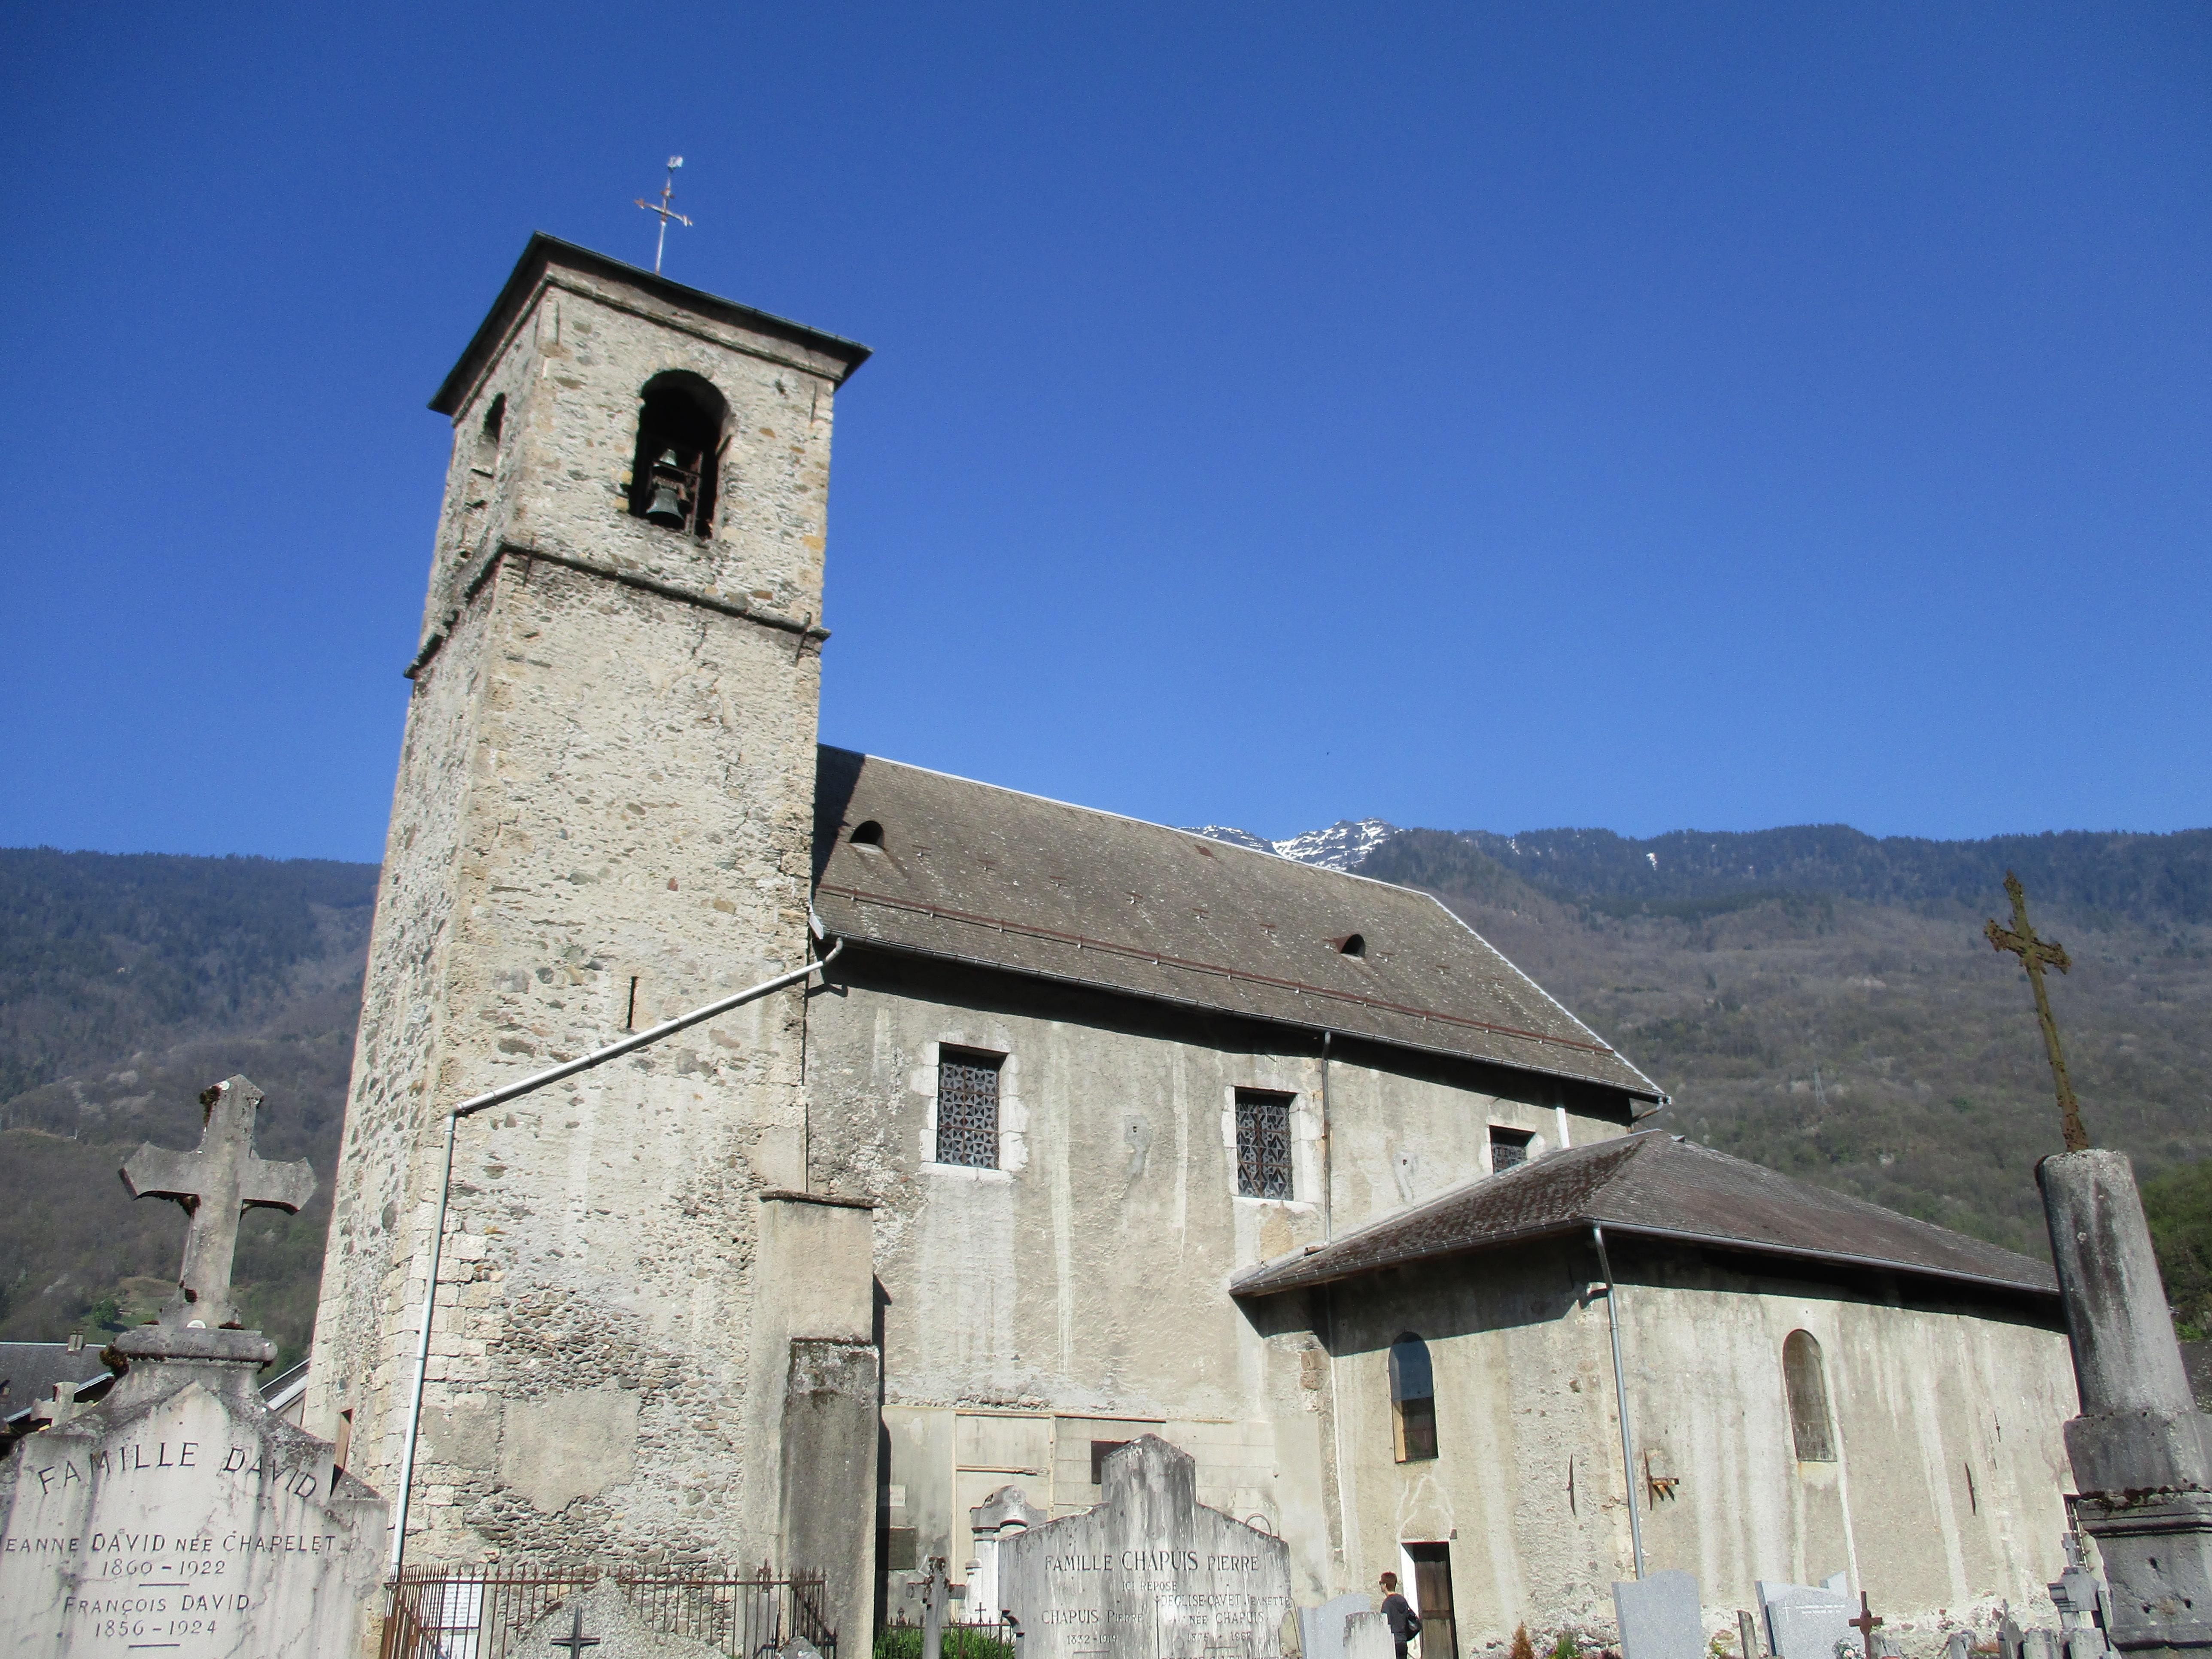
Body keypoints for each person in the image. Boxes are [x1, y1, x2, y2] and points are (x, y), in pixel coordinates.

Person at [1380, 1571, 1421, 1659]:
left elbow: (1385, 1625)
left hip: (1393, 1643)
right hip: (1403, 1642)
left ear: (1385, 1585)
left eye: (1381, 1583)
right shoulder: (1403, 1601)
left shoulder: (1387, 1604)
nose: (1381, 1586)